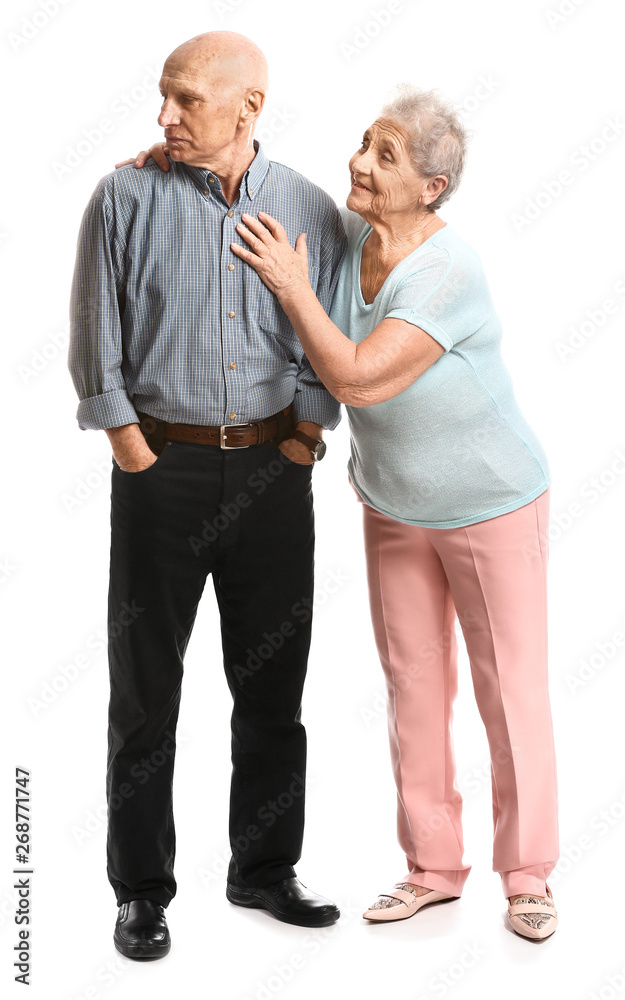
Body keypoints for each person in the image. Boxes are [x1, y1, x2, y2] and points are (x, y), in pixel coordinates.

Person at [228, 84, 559, 941]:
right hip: (394, 506)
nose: (358, 164)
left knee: (506, 693)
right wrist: (164, 165)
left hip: (489, 504)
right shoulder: (351, 236)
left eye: (385, 156)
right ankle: (431, 869)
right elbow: (271, 183)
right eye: (362, 143)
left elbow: (358, 377)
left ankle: (526, 876)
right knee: (413, 687)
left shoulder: (448, 268)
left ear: (432, 187)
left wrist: (295, 289)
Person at [68, 30, 346, 960]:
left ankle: (263, 870)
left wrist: (305, 438)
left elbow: (328, 333)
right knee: (144, 694)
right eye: (164, 97)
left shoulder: (308, 206)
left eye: (186, 100)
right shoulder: (123, 195)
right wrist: (131, 448)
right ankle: (141, 891)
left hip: (275, 473)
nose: (165, 117)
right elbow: (93, 335)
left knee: (273, 685)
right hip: (162, 473)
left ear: (248, 107)